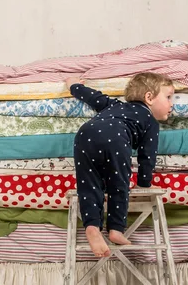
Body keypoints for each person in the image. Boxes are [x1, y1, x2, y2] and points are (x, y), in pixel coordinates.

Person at [65, 72, 174, 258]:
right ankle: (115, 229)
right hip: (116, 137)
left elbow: (93, 97)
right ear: (149, 97)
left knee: (89, 185)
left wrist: (73, 85)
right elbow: (147, 157)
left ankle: (92, 227)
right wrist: (144, 183)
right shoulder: (150, 121)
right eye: (169, 97)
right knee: (119, 183)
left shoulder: (115, 105)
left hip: (85, 134)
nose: (173, 104)